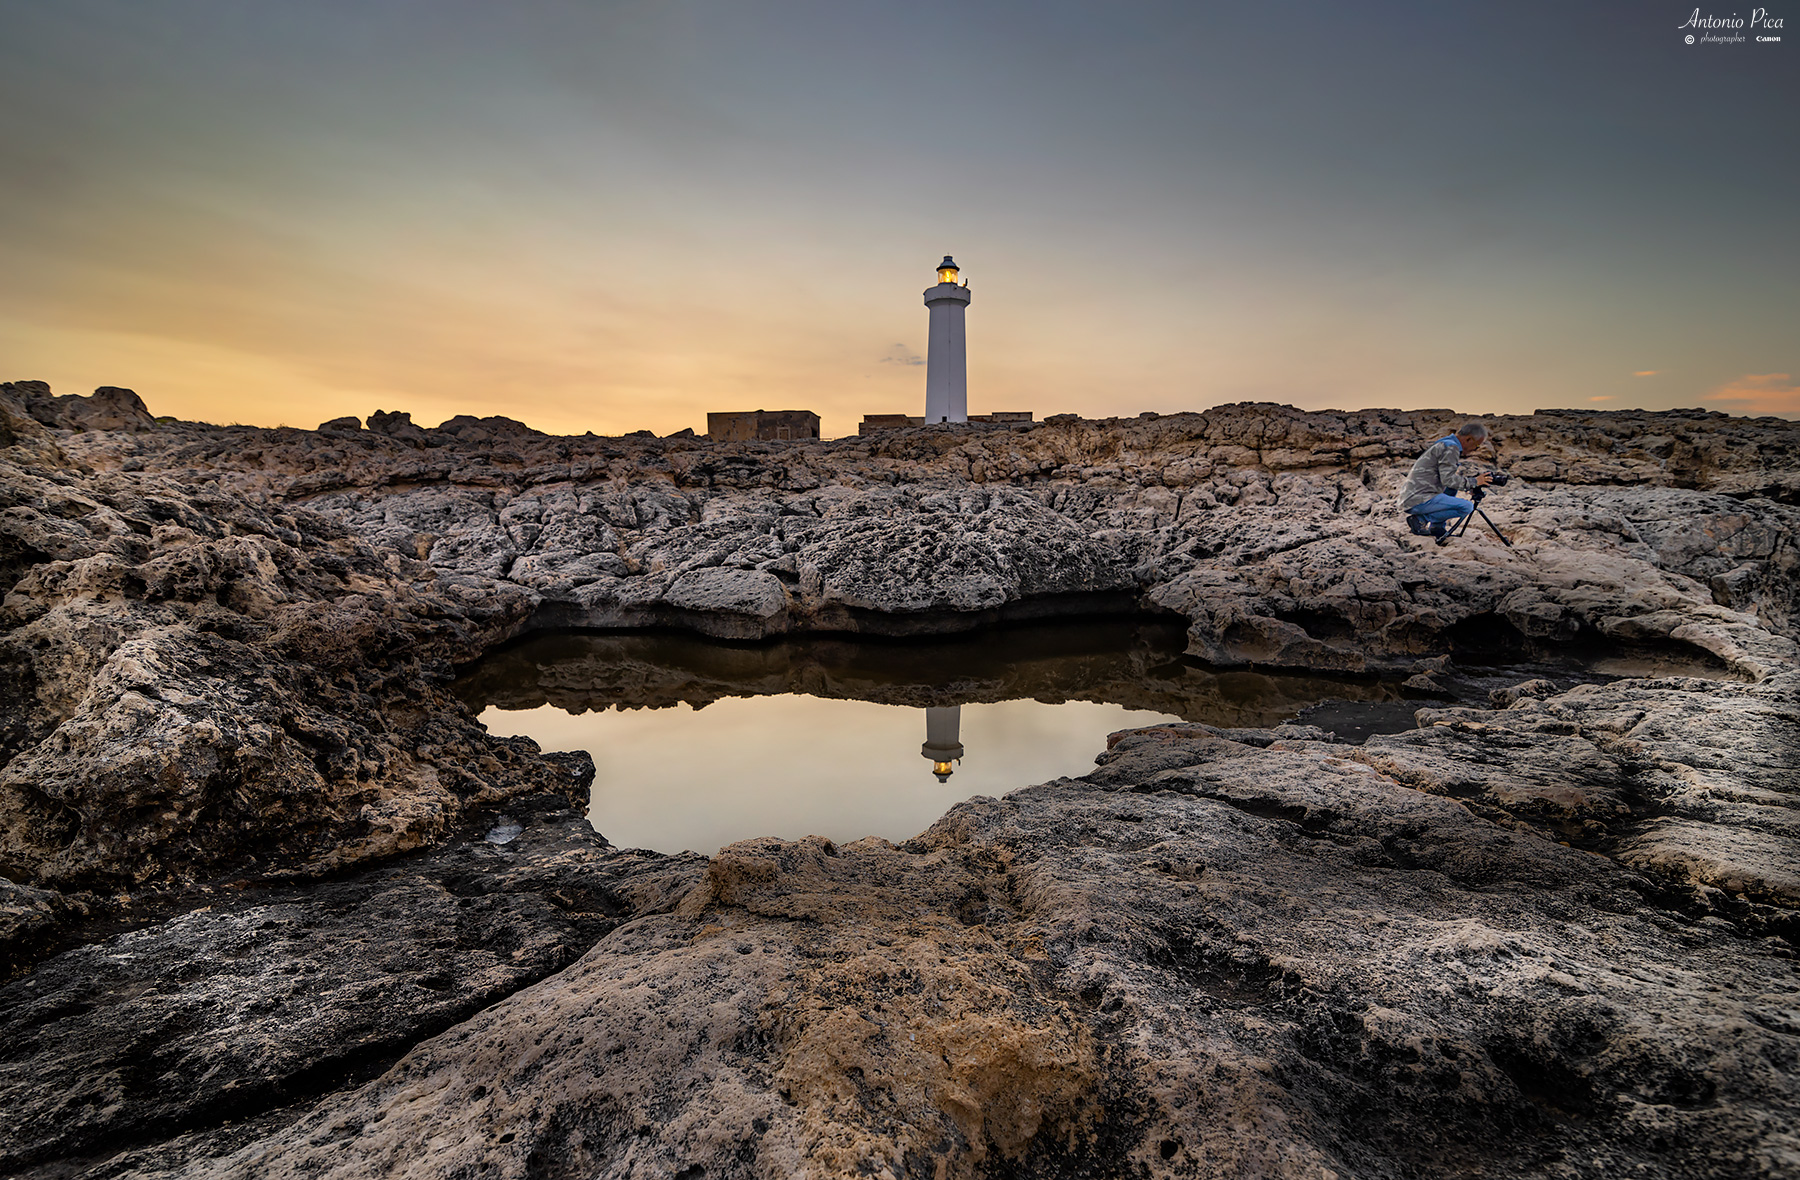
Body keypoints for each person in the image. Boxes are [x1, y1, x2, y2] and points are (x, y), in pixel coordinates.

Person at [1398, 422, 1495, 539]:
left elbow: (1448, 481)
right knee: (1467, 507)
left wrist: (1470, 486)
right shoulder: (1451, 447)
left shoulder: (1445, 443)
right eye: (1477, 446)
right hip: (1418, 499)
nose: (1475, 450)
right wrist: (1474, 482)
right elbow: (1448, 479)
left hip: (1412, 497)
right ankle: (1420, 519)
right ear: (1469, 439)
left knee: (1452, 489)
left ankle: (1437, 527)